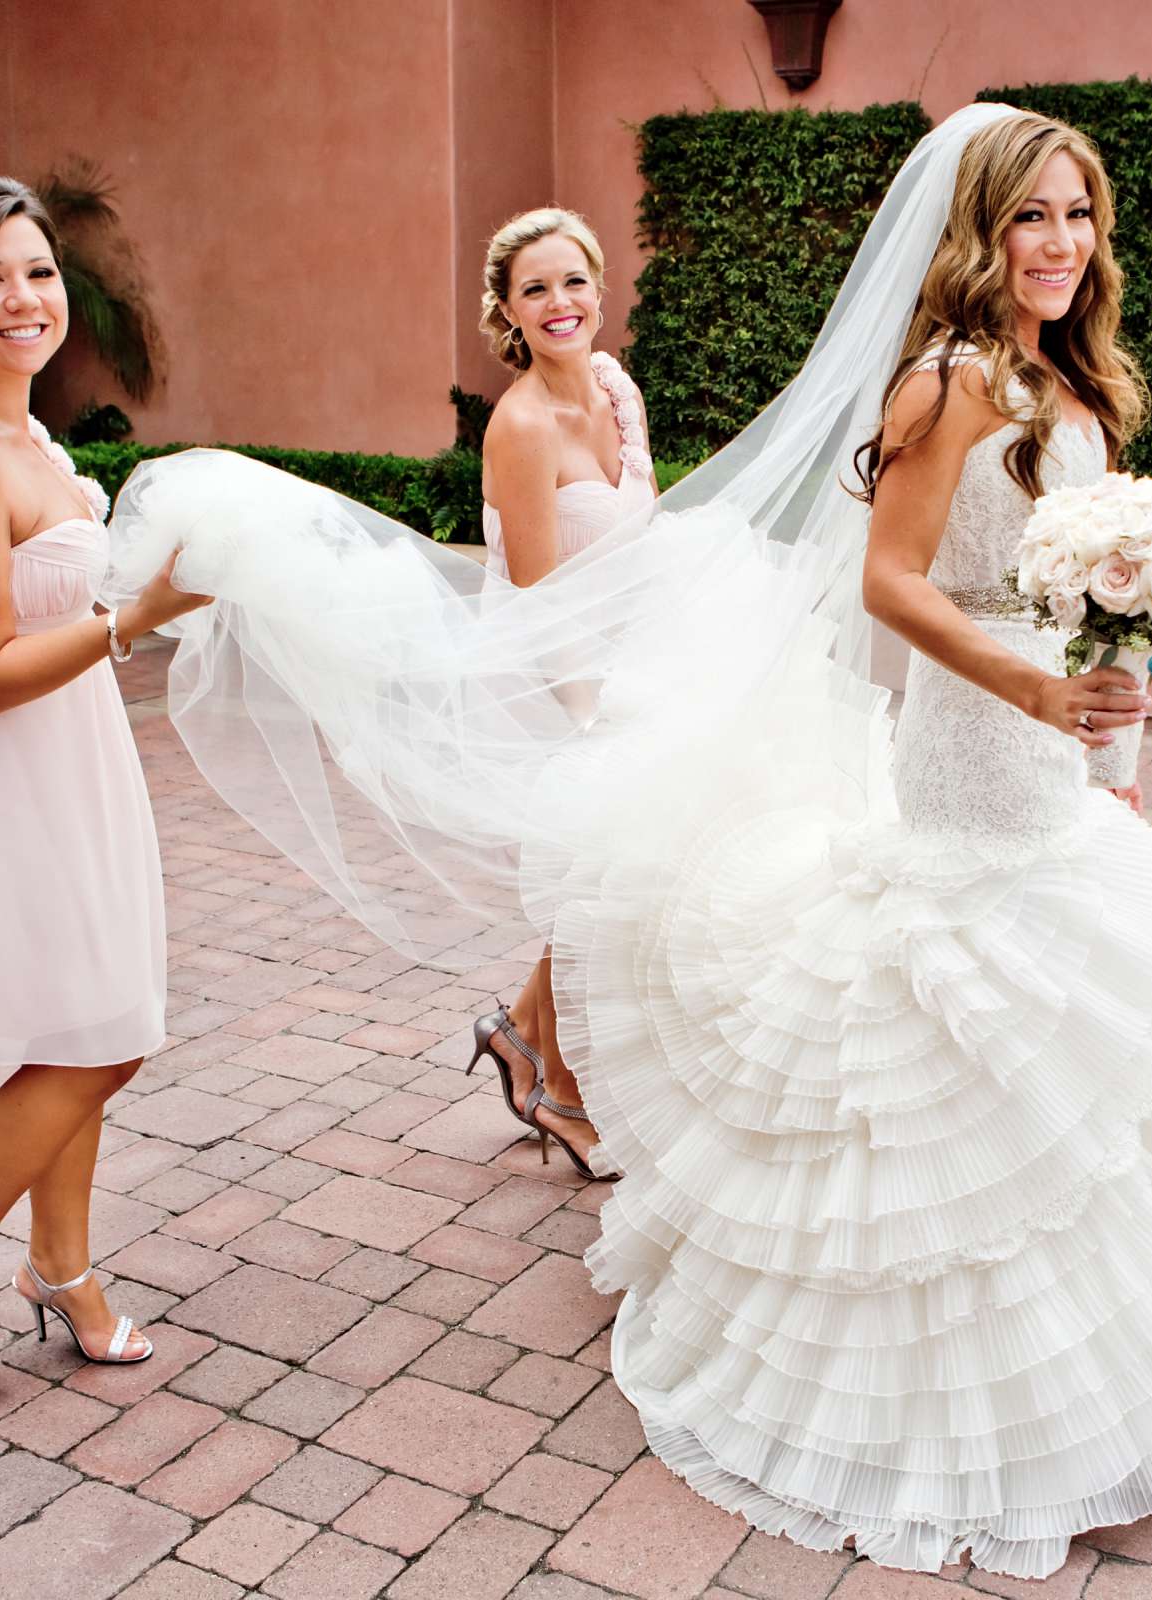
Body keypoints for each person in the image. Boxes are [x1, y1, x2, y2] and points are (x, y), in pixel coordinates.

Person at [116, 102, 1152, 1577]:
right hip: (980, 730)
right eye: (1031, 217)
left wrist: (1124, 665)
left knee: (1072, 1003)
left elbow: (1074, 563)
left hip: (1061, 723)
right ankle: (906, 1363)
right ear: (977, 231)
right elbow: (895, 585)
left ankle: (1099, 1365)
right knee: (973, 996)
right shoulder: (946, 385)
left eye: (1079, 216)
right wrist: (1034, 683)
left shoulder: (1074, 375)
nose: (1060, 244)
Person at [0, 171, 209, 1386]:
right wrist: (137, 618)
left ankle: (61, 1267)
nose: (23, 298)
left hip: (75, 752)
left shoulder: (27, 431)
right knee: (95, 1042)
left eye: (39, 271)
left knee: (93, 1017)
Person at [470, 207, 652, 1180]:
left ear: (600, 284)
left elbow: (643, 536)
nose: (559, 303)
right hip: (551, 681)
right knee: (604, 882)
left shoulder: (618, 389)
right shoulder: (522, 424)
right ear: (508, 309)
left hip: (623, 664)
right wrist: (595, 720)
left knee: (608, 879)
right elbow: (538, 603)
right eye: (534, 288)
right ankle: (558, 1087)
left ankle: (519, 1038)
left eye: (572, 280)